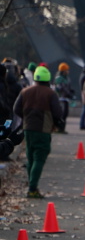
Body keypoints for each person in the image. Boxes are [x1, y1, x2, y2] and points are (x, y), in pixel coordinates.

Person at [13, 66, 63, 198]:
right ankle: (32, 188)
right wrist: (56, 123)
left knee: (30, 158)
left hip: (28, 129)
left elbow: (16, 109)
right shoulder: (50, 93)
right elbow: (58, 113)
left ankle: (32, 185)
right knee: (39, 158)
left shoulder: (25, 91)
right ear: (48, 79)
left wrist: (26, 117)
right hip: (43, 130)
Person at [53, 63, 73, 132]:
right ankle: (58, 128)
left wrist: (70, 91)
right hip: (60, 99)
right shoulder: (59, 78)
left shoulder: (66, 78)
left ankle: (62, 128)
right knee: (62, 114)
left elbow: (67, 87)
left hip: (65, 98)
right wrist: (68, 93)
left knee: (65, 114)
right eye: (67, 70)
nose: (68, 71)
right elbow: (61, 88)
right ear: (63, 71)